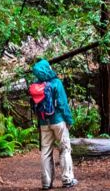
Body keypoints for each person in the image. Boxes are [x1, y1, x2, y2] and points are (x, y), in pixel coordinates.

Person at [30, 59, 77, 189]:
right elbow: (62, 104)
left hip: (44, 123)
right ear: (47, 68)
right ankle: (67, 179)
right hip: (58, 121)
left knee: (45, 152)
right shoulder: (56, 83)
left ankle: (46, 183)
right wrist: (69, 120)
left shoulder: (36, 86)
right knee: (65, 149)